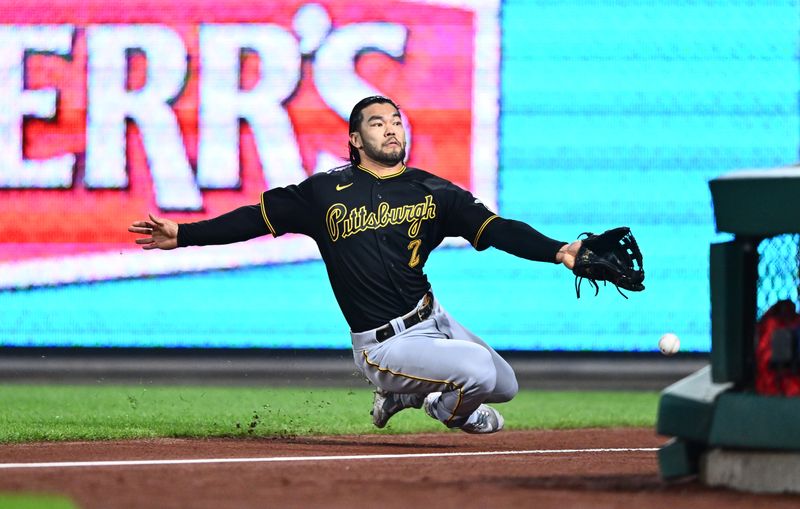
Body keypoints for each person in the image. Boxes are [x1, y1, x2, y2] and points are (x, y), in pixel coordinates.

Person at [129, 96, 582, 434]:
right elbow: (255, 218)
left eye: (396, 122)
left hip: (433, 318)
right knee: (478, 373)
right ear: (354, 138)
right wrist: (185, 234)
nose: (391, 130)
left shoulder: (433, 191)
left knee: (505, 384)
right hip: (381, 345)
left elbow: (495, 228)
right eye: (377, 122)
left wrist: (559, 249)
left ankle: (406, 393)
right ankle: (442, 410)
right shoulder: (324, 193)